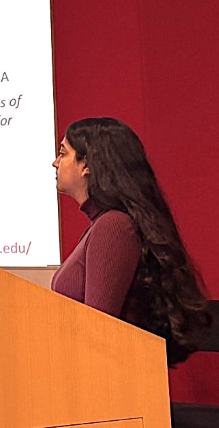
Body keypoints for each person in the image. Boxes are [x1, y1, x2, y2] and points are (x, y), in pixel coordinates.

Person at [51, 117, 209, 365]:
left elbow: (99, 330)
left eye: (63, 153)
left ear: (87, 165)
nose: (55, 163)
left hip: (109, 391)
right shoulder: (105, 224)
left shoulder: (113, 226)